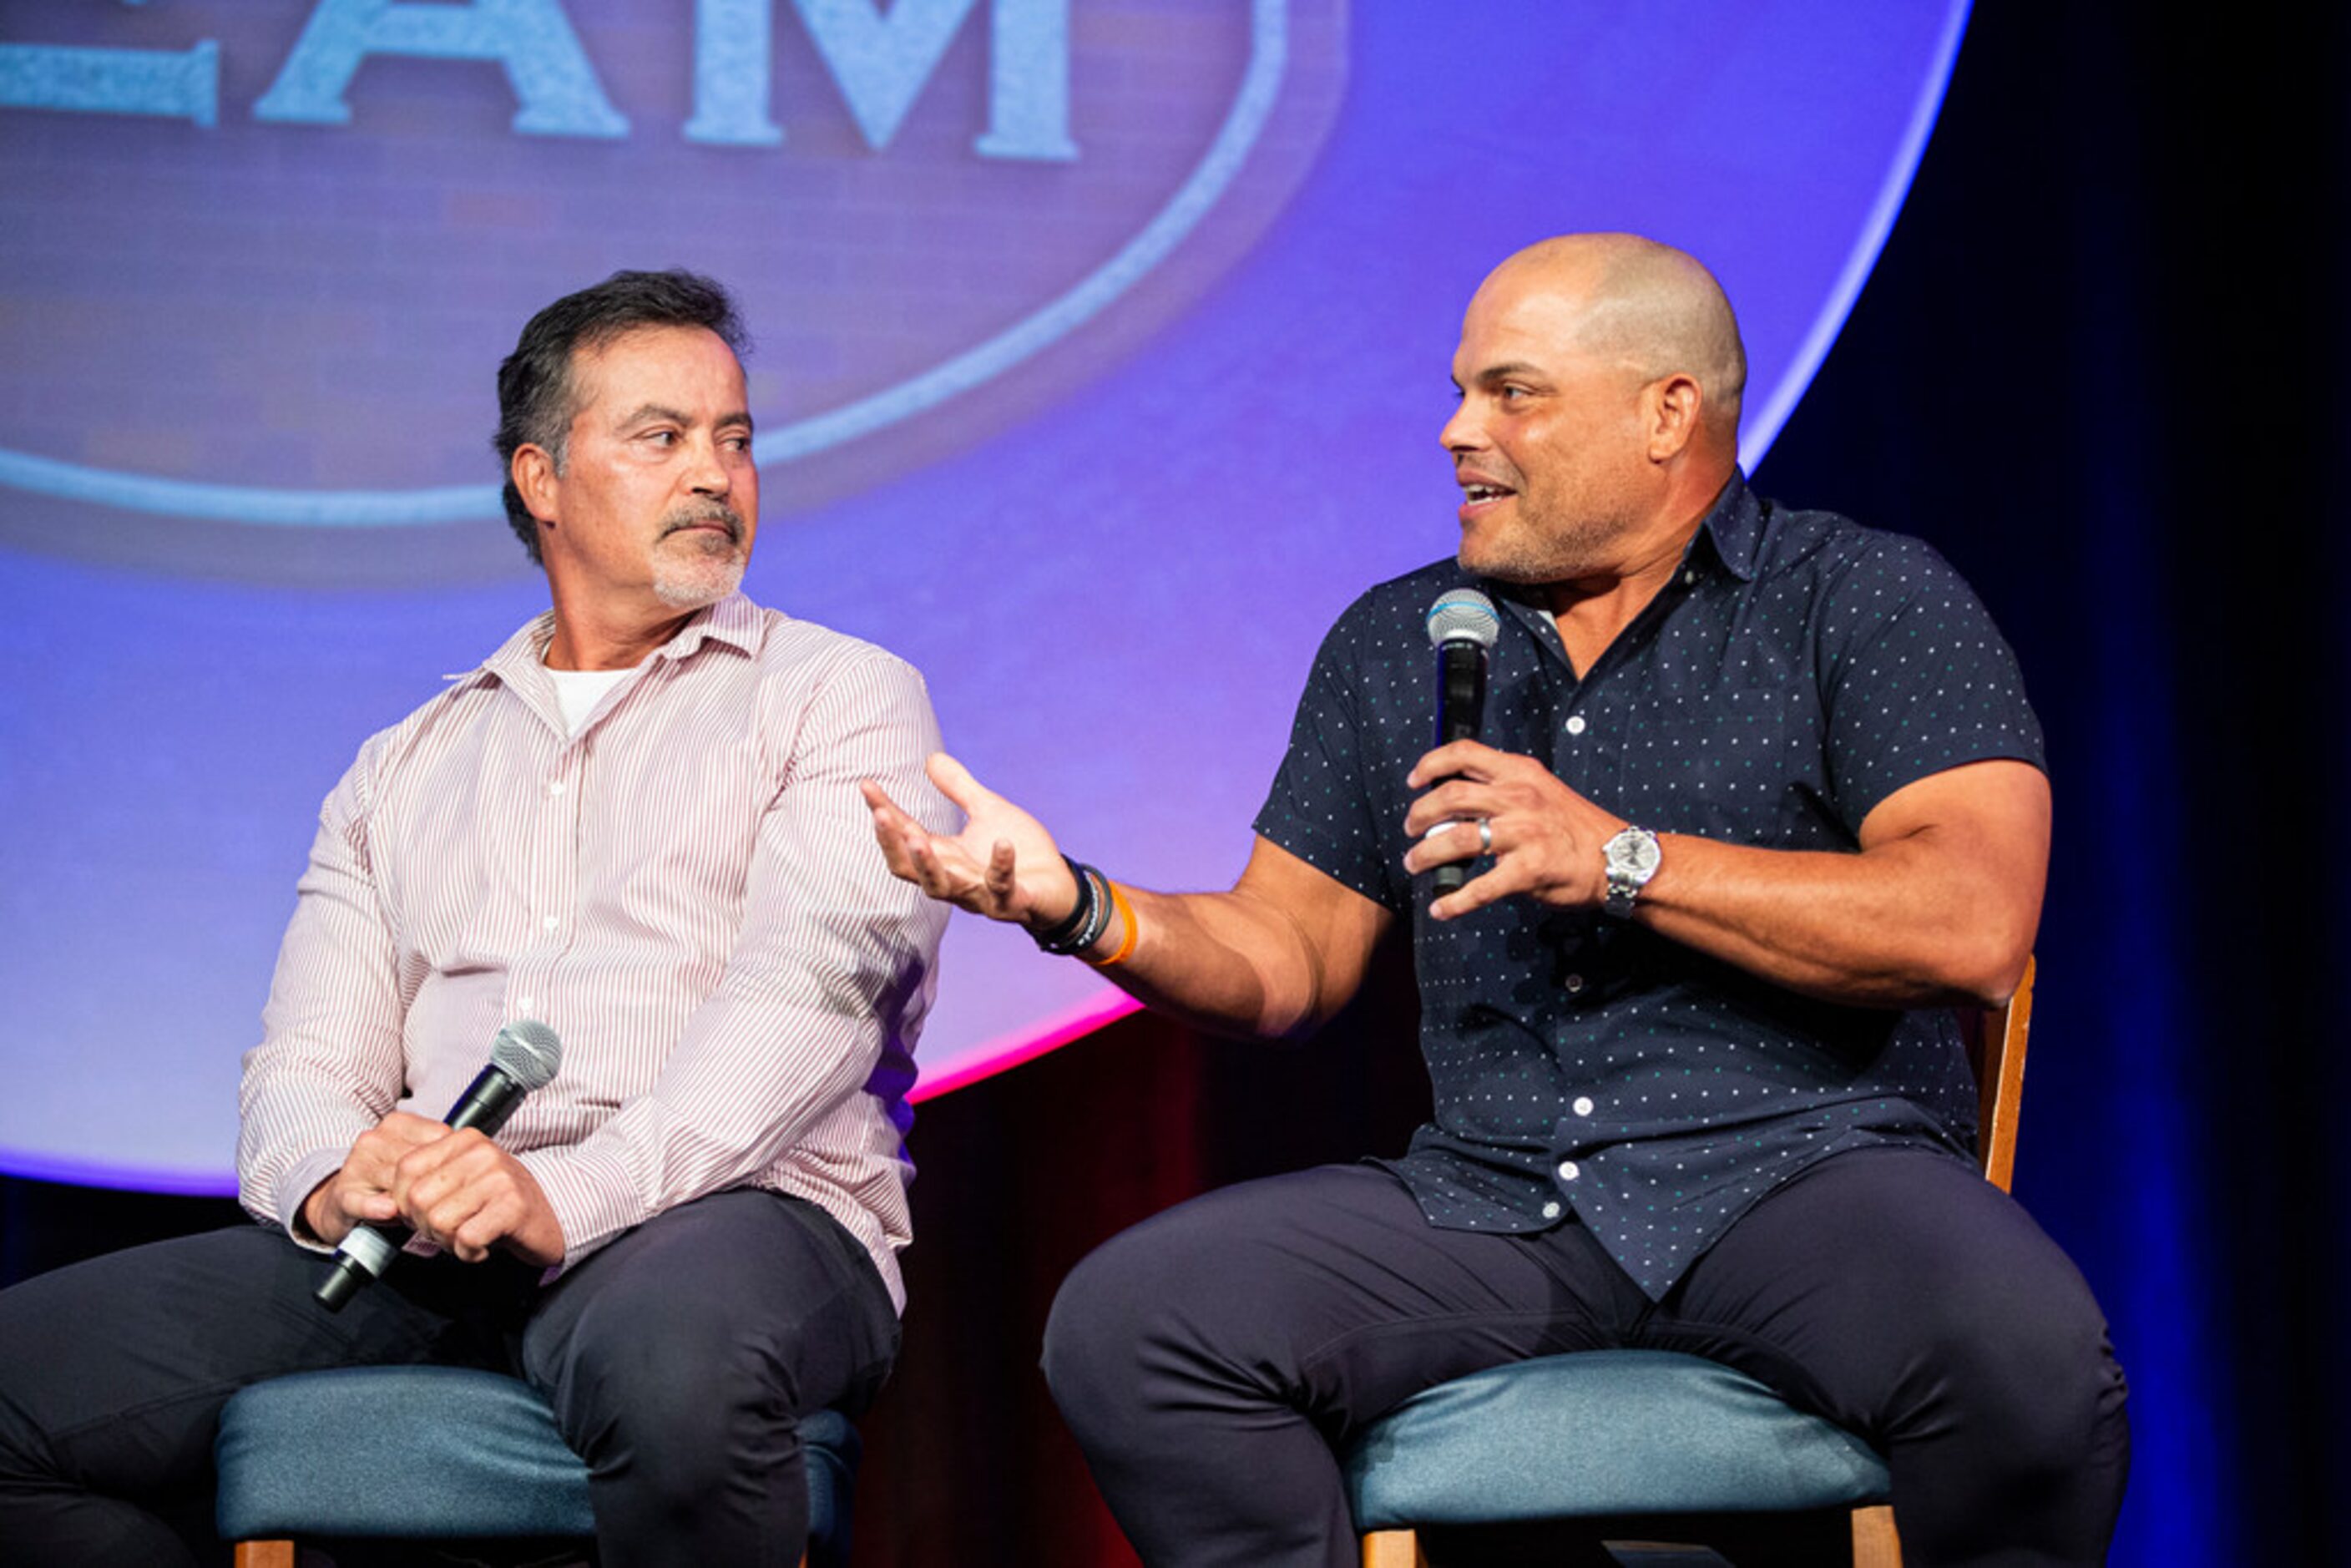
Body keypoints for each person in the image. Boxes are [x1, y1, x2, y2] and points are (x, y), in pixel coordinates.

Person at [863, 234, 2130, 1566]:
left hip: (1810, 1176)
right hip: (1502, 1203)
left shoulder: (1864, 602)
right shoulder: (1398, 638)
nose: (1461, 429)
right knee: (1141, 1326)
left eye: (1513, 393)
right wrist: (1078, 905)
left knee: (2030, 1363)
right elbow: (1285, 955)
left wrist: (1623, 859)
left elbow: (1973, 923)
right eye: (1463, 390)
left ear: (1666, 413)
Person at [0, 270, 955, 1568]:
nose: (716, 475)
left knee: (673, 1364)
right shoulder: (405, 763)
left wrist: (559, 1192)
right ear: (541, 480)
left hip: (739, 1211)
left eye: (735, 437)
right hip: (440, 1248)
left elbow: (807, 1012)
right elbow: (303, 1065)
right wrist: (344, 1180)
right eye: (661, 436)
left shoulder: (838, 696)